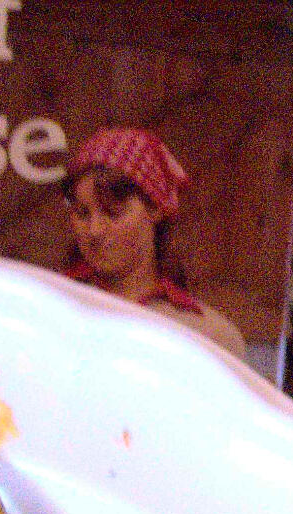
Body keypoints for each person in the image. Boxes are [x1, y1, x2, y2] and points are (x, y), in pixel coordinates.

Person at [61, 127, 248, 363]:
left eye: (113, 212)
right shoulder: (49, 314)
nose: (95, 230)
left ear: (155, 208)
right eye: (82, 213)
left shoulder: (209, 337)